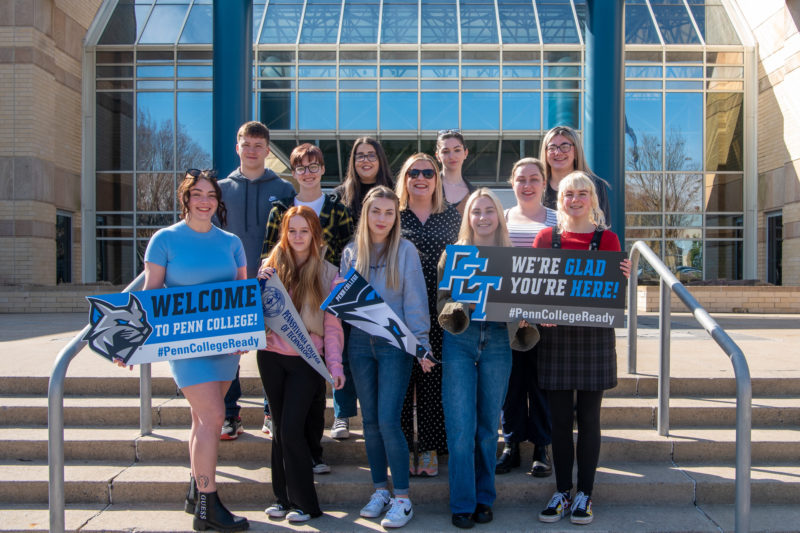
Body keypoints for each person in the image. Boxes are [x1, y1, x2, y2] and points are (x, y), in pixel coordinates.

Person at [137, 169, 249, 531]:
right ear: (185, 198)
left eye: (211, 195)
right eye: (197, 194)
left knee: (202, 420)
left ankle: (193, 490)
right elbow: (150, 295)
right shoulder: (164, 240)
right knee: (215, 417)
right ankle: (208, 505)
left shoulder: (231, 242)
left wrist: (243, 336)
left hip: (223, 348)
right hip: (185, 346)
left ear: (218, 202)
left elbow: (241, 291)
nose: (205, 201)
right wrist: (130, 342)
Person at [437, 188, 539, 529]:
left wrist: (524, 317)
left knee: (485, 429)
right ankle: (462, 502)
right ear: (468, 217)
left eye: (489, 211)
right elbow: (441, 302)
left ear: (499, 216)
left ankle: (484, 498)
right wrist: (457, 306)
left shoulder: (513, 258)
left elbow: (528, 302)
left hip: (497, 341)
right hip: (461, 340)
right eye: (476, 211)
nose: (482, 217)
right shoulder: (453, 257)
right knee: (460, 427)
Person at [533, 171, 630, 526]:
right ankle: (561, 491)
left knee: (589, 419)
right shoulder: (545, 237)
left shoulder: (608, 239)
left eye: (582, 193)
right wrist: (539, 312)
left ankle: (585, 494)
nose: (575, 199)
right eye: (568, 193)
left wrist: (622, 276)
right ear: (560, 200)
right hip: (556, 339)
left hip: (594, 338)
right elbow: (534, 289)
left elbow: (611, 291)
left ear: (592, 199)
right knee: (559, 422)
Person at [340, 186, 433, 528]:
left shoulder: (405, 251)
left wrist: (421, 343)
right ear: (365, 214)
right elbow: (345, 306)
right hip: (360, 345)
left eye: (389, 213)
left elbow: (415, 300)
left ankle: (403, 498)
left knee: (389, 421)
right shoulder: (351, 253)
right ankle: (380, 489)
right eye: (376, 211)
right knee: (368, 423)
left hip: (396, 346)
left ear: (396, 217)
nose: (382, 218)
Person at [261, 142, 353, 474]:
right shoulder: (281, 208)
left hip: (321, 296)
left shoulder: (337, 208)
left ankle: (313, 453)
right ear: (294, 171)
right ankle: (288, 448)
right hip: (285, 303)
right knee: (286, 391)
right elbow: (268, 254)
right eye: (301, 167)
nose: (308, 172)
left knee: (314, 390)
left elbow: (346, 251)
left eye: (314, 166)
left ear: (323, 170)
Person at [256, 206, 346, 523]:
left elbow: (333, 327)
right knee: (279, 429)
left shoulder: (328, 273)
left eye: (304, 231)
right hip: (270, 357)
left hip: (307, 361)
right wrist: (257, 285)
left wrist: (335, 366)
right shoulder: (269, 267)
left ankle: (306, 504)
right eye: (292, 231)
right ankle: (281, 499)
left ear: (314, 235)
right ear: (284, 233)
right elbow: (253, 313)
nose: (297, 237)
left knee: (292, 429)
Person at [216, 120, 294, 441]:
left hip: (273, 283)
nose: (252, 151)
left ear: (267, 150)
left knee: (272, 350)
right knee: (230, 353)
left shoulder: (284, 189)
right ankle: (230, 415)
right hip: (231, 286)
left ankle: (270, 411)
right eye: (246, 145)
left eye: (258, 146)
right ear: (238, 147)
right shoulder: (219, 189)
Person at [396, 153, 461, 477]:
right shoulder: (393, 215)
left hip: (440, 313)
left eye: (428, 172)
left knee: (434, 381)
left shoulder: (451, 217)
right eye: (413, 172)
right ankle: (406, 445)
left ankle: (431, 446)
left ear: (437, 180)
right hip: (401, 311)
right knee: (402, 382)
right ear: (404, 180)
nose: (421, 178)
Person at [330, 137, 395, 439]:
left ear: (381, 159)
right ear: (352, 162)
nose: (365, 160)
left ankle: (385, 414)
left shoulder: (394, 195)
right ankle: (342, 414)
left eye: (371, 155)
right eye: (359, 156)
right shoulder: (339, 198)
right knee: (342, 347)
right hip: (349, 282)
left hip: (387, 282)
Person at [496, 158, 557, 477]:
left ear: (544, 182)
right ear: (512, 183)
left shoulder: (557, 220)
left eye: (534, 178)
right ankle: (511, 444)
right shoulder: (501, 219)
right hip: (508, 319)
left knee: (542, 384)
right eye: (521, 179)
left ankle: (541, 447)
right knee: (511, 384)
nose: (527, 184)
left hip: (547, 320)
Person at [540, 126, 611, 223]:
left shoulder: (595, 186)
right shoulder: (538, 187)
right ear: (545, 152)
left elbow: (603, 229)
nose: (558, 152)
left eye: (565, 147)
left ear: (576, 151)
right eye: (552, 148)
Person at [436, 129, 475, 214]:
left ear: (465, 153)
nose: (452, 156)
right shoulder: (428, 188)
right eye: (445, 151)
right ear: (438, 156)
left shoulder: (474, 194)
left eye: (457, 150)